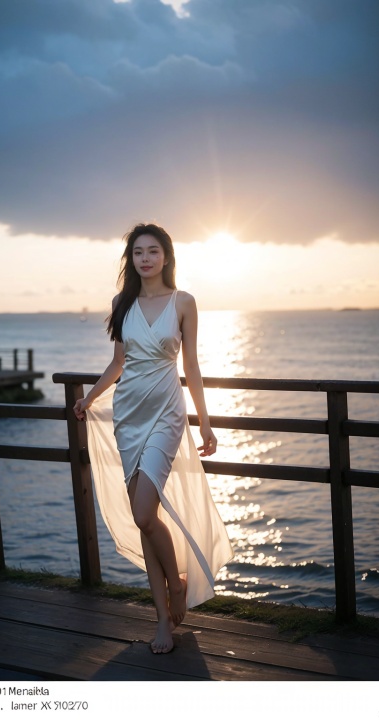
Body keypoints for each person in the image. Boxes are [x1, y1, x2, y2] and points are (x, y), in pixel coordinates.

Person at [73, 223, 233, 654]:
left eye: (153, 251)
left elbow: (193, 367)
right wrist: (90, 397)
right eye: (138, 253)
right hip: (128, 415)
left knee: (144, 512)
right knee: (146, 523)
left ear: (166, 256)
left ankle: (178, 585)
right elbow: (118, 364)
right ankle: (162, 620)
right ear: (132, 260)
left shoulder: (183, 302)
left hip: (166, 414)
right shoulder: (122, 304)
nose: (146, 259)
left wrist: (205, 421)